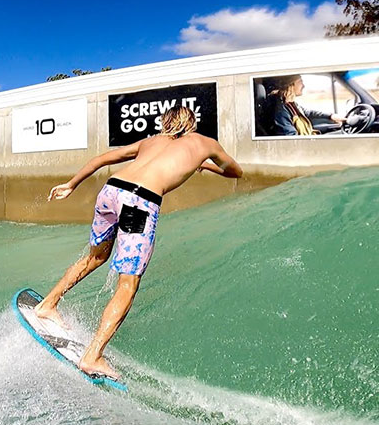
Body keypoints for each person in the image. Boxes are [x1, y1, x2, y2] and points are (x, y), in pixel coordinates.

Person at [34, 106, 243, 379]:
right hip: (139, 204)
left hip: (110, 191)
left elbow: (101, 159)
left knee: (96, 257)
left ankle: (47, 305)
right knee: (128, 283)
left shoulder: (150, 142)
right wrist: (206, 164)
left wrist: (71, 184)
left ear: (165, 122)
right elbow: (235, 171)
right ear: (192, 123)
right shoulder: (205, 144)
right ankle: (93, 355)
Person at [262, 74, 346, 136]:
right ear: (290, 85)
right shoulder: (280, 110)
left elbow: (306, 112)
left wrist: (331, 116)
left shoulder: (289, 103)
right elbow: (291, 140)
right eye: (300, 82)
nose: (303, 85)